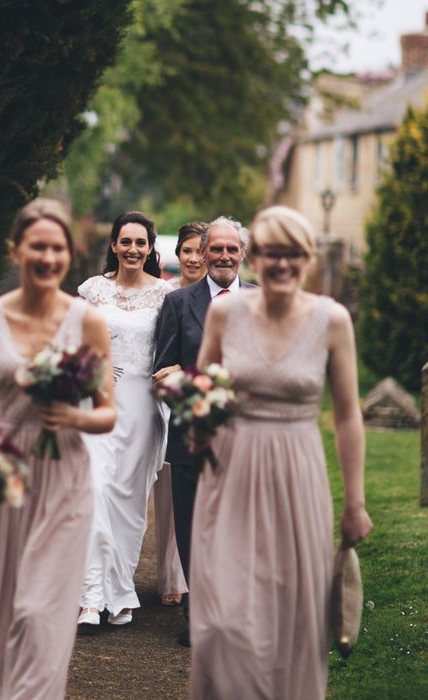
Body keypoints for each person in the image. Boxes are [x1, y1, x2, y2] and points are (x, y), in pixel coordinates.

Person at [189, 205, 373, 699]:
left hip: (297, 473)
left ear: (307, 258)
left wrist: (354, 502)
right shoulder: (225, 313)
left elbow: (347, 414)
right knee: (222, 622)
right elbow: (201, 385)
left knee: (292, 615)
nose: (281, 264)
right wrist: (199, 424)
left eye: (292, 254)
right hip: (230, 469)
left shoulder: (331, 320)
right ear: (256, 258)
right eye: (271, 253)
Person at [0, 199, 116, 699]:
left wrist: (72, 416)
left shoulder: (87, 322)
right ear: (16, 250)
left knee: (39, 611)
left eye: (58, 249)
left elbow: (108, 411)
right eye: (38, 247)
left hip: (62, 478)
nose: (48, 258)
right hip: (0, 477)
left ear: (70, 255)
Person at [152, 216, 254, 646]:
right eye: (217, 249)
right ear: (205, 251)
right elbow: (161, 370)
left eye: (232, 249)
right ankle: (200, 616)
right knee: (193, 527)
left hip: (247, 438)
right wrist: (188, 388)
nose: (224, 256)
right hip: (190, 434)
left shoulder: (261, 302)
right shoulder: (179, 303)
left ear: (242, 254)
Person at [77, 210, 173, 628]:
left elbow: (173, 350)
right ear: (114, 245)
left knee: (129, 503)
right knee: (95, 489)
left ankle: (119, 591)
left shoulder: (166, 296)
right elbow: (74, 342)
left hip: (142, 403)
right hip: (96, 400)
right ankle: (90, 597)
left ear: (150, 249)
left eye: (140, 243)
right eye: (126, 241)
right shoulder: (93, 291)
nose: (133, 249)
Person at [155, 221, 207, 606]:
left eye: (198, 251)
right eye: (186, 251)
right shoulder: (169, 299)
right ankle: (174, 576)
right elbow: (161, 358)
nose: (193, 258)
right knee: (174, 499)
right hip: (172, 410)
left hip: (217, 415)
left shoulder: (234, 299)